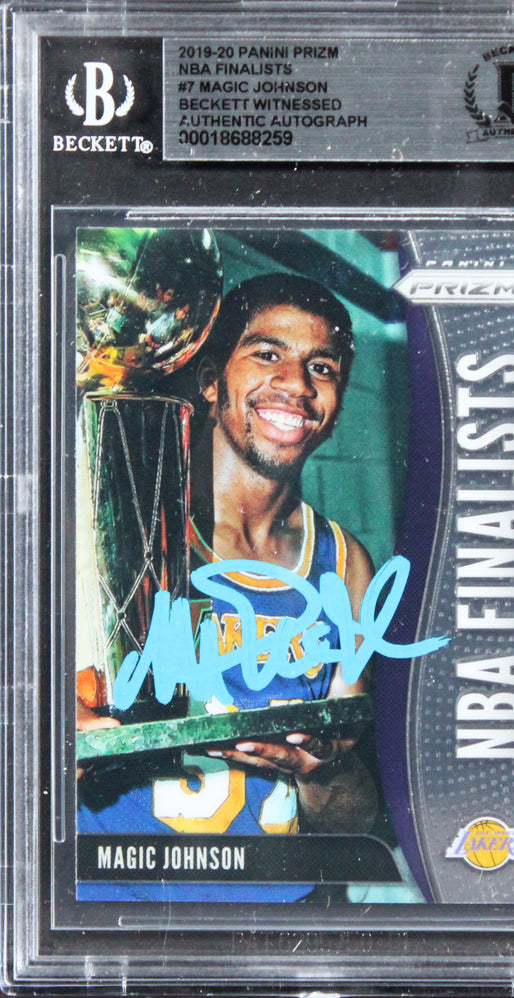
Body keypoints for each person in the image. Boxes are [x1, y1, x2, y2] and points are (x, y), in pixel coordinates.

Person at [77, 273, 378, 901]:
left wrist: (319, 771)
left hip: (277, 923)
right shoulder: (115, 530)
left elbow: (351, 820)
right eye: (267, 354)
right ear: (212, 380)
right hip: (121, 922)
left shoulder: (346, 564)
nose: (296, 384)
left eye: (321, 367)